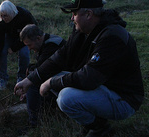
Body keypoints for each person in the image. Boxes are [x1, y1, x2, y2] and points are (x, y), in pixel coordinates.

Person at [14, 0, 144, 136]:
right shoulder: (84, 31)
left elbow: (89, 78)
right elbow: (61, 56)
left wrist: (52, 82)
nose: (72, 18)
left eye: (75, 13)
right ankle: (93, 121)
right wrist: (30, 79)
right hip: (103, 87)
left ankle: (99, 128)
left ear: (88, 14)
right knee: (57, 80)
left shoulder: (112, 36)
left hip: (123, 99)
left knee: (66, 98)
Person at [19, 24, 66, 127]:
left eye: (29, 45)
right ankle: (46, 107)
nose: (29, 48)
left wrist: (27, 85)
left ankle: (34, 123)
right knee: (31, 75)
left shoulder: (52, 46)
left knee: (32, 84)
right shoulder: (45, 43)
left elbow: (42, 71)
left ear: (38, 38)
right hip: (58, 77)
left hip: (67, 80)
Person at [0, 0, 37, 90]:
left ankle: (21, 77)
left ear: (12, 13)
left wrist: (14, 48)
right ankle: (3, 79)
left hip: (25, 36)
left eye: (6, 16)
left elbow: (32, 32)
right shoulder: (1, 21)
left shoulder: (25, 16)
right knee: (2, 52)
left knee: (24, 53)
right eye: (2, 16)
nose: (4, 18)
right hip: (9, 36)